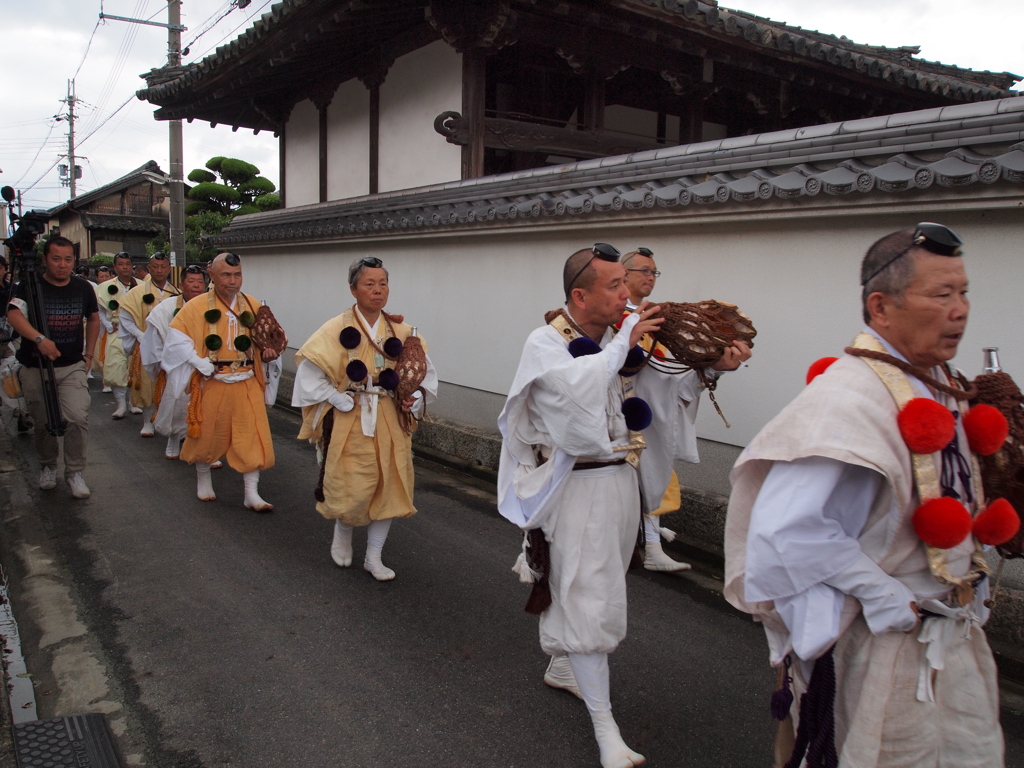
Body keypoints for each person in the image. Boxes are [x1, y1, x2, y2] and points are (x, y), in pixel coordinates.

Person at [724, 224, 1004, 767]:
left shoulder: (942, 380)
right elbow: (787, 529)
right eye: (941, 295)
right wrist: (881, 595)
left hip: (957, 633)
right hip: (887, 644)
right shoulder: (847, 398)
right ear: (881, 307)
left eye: (963, 291)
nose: (960, 309)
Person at [498, 243, 743, 768]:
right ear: (580, 294)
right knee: (589, 596)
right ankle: (606, 729)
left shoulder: (621, 340)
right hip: (577, 487)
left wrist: (712, 362)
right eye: (615, 285)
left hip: (618, 486)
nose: (626, 293)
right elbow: (572, 408)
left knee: (591, 583)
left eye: (626, 284)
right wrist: (621, 347)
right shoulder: (546, 343)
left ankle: (563, 667)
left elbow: (662, 385)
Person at [292, 256, 437, 581]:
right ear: (353, 289)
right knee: (352, 483)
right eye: (369, 284)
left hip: (389, 416)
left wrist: (413, 398)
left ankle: (374, 556)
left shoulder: (401, 330)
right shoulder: (334, 328)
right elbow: (310, 373)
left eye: (382, 284)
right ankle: (343, 533)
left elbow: (423, 373)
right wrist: (333, 397)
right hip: (350, 417)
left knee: (390, 485)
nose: (377, 290)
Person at [621, 247, 751, 572]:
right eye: (644, 270)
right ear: (623, 275)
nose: (651, 276)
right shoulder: (616, 319)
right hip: (629, 413)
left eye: (655, 272)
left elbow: (674, 376)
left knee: (653, 476)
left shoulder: (659, 320)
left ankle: (645, 533)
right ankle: (649, 545)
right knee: (641, 473)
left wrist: (715, 366)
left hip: (659, 410)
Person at [162, 252, 280, 510]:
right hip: (212, 380)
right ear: (211, 275)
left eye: (237, 275)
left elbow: (270, 338)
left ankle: (251, 492)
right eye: (226, 275)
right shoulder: (196, 306)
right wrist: (197, 362)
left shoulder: (252, 304)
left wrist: (270, 353)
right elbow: (176, 338)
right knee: (207, 434)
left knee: (251, 435)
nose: (232, 281)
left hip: (247, 380)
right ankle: (204, 480)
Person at [6, 236, 99, 498]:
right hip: (35, 366)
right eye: (56, 259)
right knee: (43, 420)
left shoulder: (83, 288)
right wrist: (39, 339)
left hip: (71, 365)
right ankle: (48, 466)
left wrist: (89, 355)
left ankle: (75, 472)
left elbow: (93, 318)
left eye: (68, 259)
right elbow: (13, 314)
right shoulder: (30, 286)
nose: (62, 265)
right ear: (45, 259)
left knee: (77, 417)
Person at [141, 265, 208, 459]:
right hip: (177, 365)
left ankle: (207, 448)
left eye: (200, 282)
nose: (196, 286)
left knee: (208, 409)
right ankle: (173, 438)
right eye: (191, 281)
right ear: (181, 284)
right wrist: (163, 364)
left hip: (205, 365)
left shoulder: (212, 306)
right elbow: (153, 339)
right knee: (177, 404)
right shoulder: (167, 308)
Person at [118, 252, 181, 436]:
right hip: (145, 343)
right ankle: (147, 421)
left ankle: (169, 422)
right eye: (155, 267)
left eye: (163, 267)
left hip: (170, 346)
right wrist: (140, 335)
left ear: (169, 269)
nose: (159, 271)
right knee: (146, 383)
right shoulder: (137, 292)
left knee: (172, 384)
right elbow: (125, 317)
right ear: (149, 268)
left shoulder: (176, 293)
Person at [95, 252, 139, 416]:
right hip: (117, 331)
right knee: (116, 367)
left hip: (137, 333)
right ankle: (121, 405)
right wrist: (108, 325)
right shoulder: (104, 288)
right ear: (115, 267)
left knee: (136, 369)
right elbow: (99, 311)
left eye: (127, 263)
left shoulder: (141, 285)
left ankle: (134, 402)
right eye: (120, 264)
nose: (124, 267)